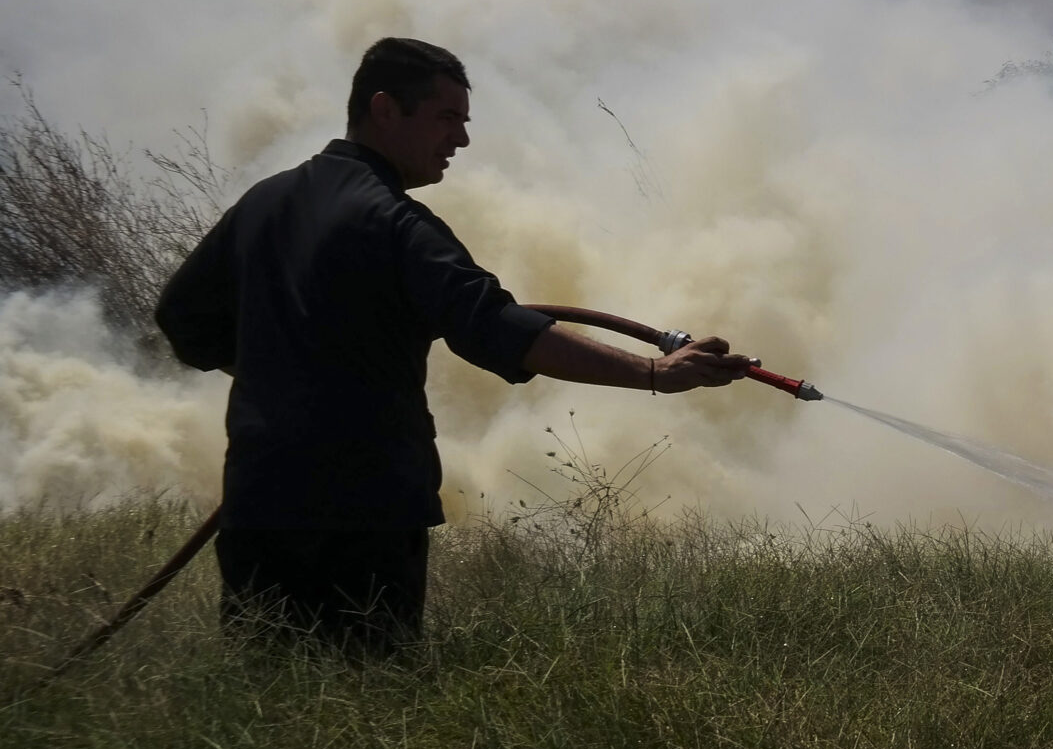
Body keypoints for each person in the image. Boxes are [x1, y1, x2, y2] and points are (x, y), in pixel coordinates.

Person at [153, 37, 750, 655]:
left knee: (265, 708)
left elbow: (182, 320)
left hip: (259, 505)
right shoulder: (397, 225)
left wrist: (284, 371)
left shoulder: (262, 204)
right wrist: (656, 372)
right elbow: (500, 330)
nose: (460, 141)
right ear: (385, 109)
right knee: (371, 705)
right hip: (364, 521)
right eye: (447, 119)